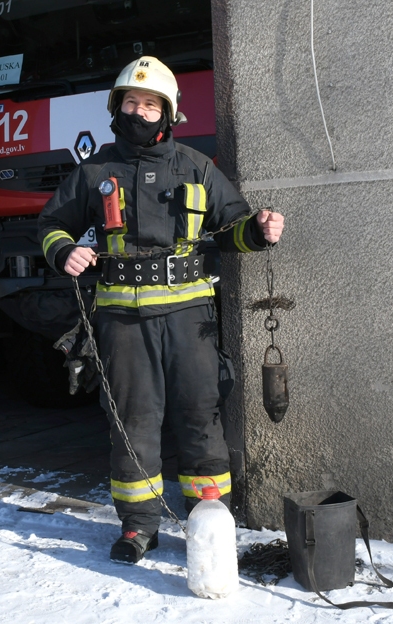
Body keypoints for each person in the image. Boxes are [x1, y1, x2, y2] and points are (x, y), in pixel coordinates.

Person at [37, 56, 284, 564]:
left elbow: (233, 225)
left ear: (167, 113)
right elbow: (49, 227)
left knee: (200, 418)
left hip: (189, 322)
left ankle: (208, 522)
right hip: (122, 324)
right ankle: (139, 527)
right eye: (130, 102)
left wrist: (258, 230)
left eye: (150, 104)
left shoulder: (195, 166)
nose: (139, 112)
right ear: (116, 108)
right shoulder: (94, 171)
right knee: (133, 422)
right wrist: (65, 251)